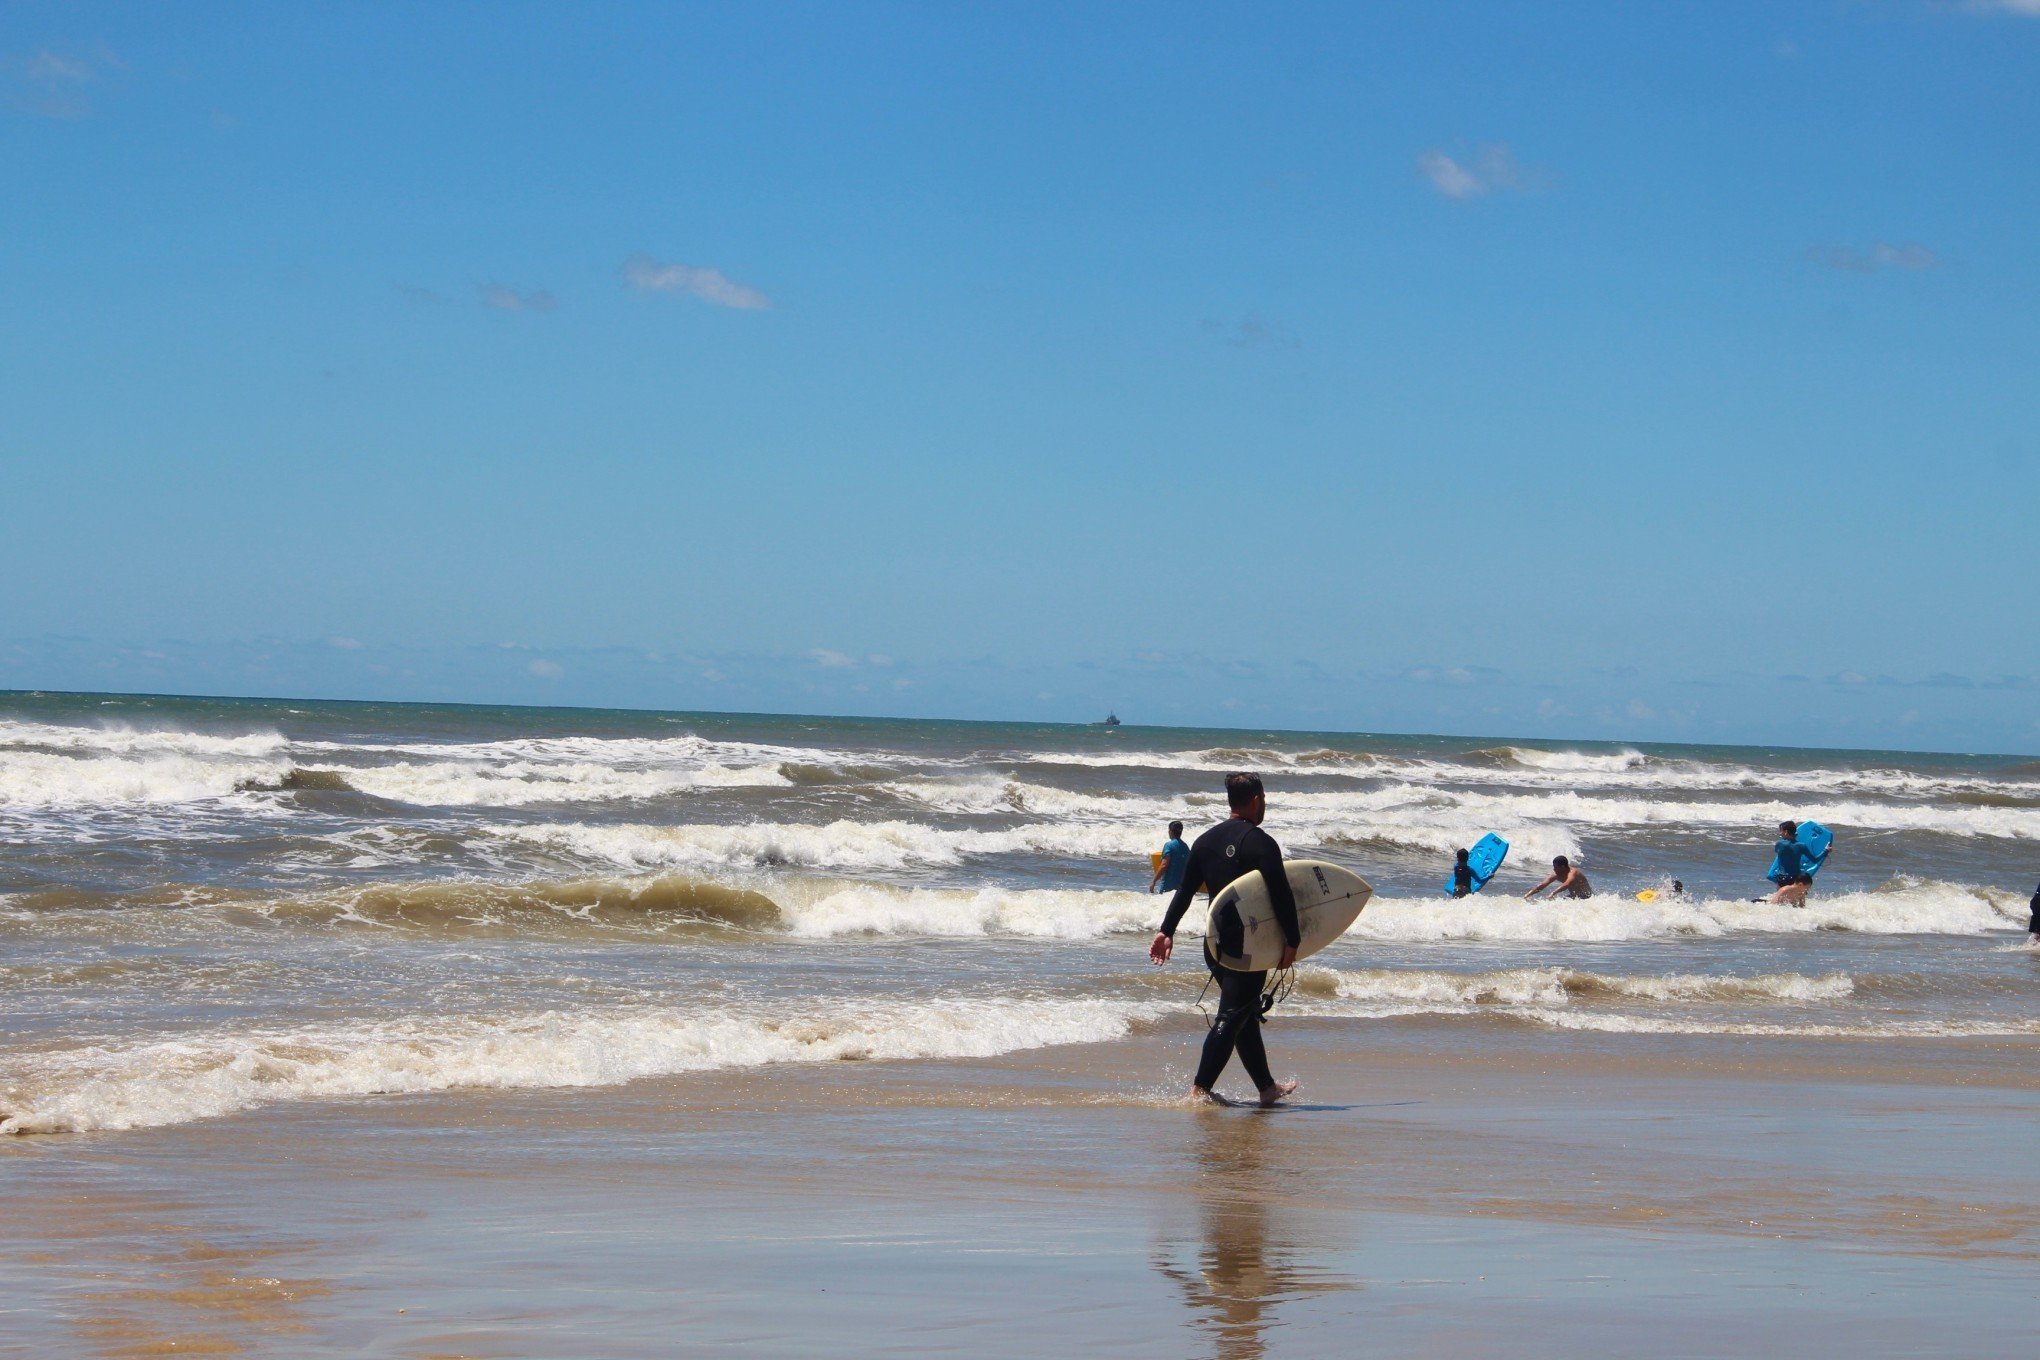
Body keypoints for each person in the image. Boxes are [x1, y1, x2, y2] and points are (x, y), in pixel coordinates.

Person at [1149, 773, 1299, 1107]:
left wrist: (1166, 931)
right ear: (1257, 799)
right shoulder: (1261, 843)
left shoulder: (1204, 841)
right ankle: (1199, 1091)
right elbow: (1281, 895)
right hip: (1250, 945)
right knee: (1232, 1015)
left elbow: (1185, 893)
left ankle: (1266, 1088)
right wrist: (1292, 940)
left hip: (1215, 943)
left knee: (1242, 1013)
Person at [1767, 820, 1817, 906]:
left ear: (1786, 832)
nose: (1780, 833)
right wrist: (1826, 851)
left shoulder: (1779, 844)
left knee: (1780, 901)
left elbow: (1777, 852)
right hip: (1796, 877)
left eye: (1781, 831)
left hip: (1782, 877)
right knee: (1798, 902)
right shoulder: (1802, 845)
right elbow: (1814, 860)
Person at [1149, 820, 1190, 895]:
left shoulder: (1169, 845)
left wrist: (1154, 881)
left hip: (1168, 887)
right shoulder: (1186, 847)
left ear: (1170, 831)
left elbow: (1164, 865)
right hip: (1181, 888)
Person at [1525, 855, 1592, 900]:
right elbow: (1542, 885)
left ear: (1562, 867)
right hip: (1574, 898)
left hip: (1587, 898)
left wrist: (1553, 893)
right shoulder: (1557, 873)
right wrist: (1527, 895)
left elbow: (1566, 884)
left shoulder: (1573, 873)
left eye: (1555, 867)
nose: (1554, 869)